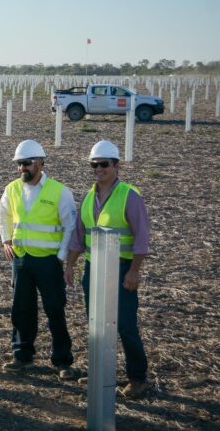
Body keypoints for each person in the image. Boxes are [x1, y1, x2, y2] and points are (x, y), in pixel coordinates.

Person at [65, 140, 151, 398]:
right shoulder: (89, 197)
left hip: (122, 268)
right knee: (97, 325)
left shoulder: (129, 195)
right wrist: (70, 265)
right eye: (94, 164)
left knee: (124, 324)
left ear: (116, 165)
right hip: (94, 268)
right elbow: (79, 237)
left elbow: (142, 238)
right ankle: (100, 374)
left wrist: (134, 271)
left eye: (103, 164)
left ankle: (138, 377)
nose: (98, 169)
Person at [0, 139, 77, 380]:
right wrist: (6, 239)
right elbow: (3, 213)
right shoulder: (12, 189)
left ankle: (62, 360)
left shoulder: (59, 191)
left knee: (55, 310)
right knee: (21, 309)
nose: (23, 168)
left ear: (41, 163)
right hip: (21, 261)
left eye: (28, 163)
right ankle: (22, 356)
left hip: (49, 263)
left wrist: (61, 257)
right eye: (20, 164)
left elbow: (71, 227)